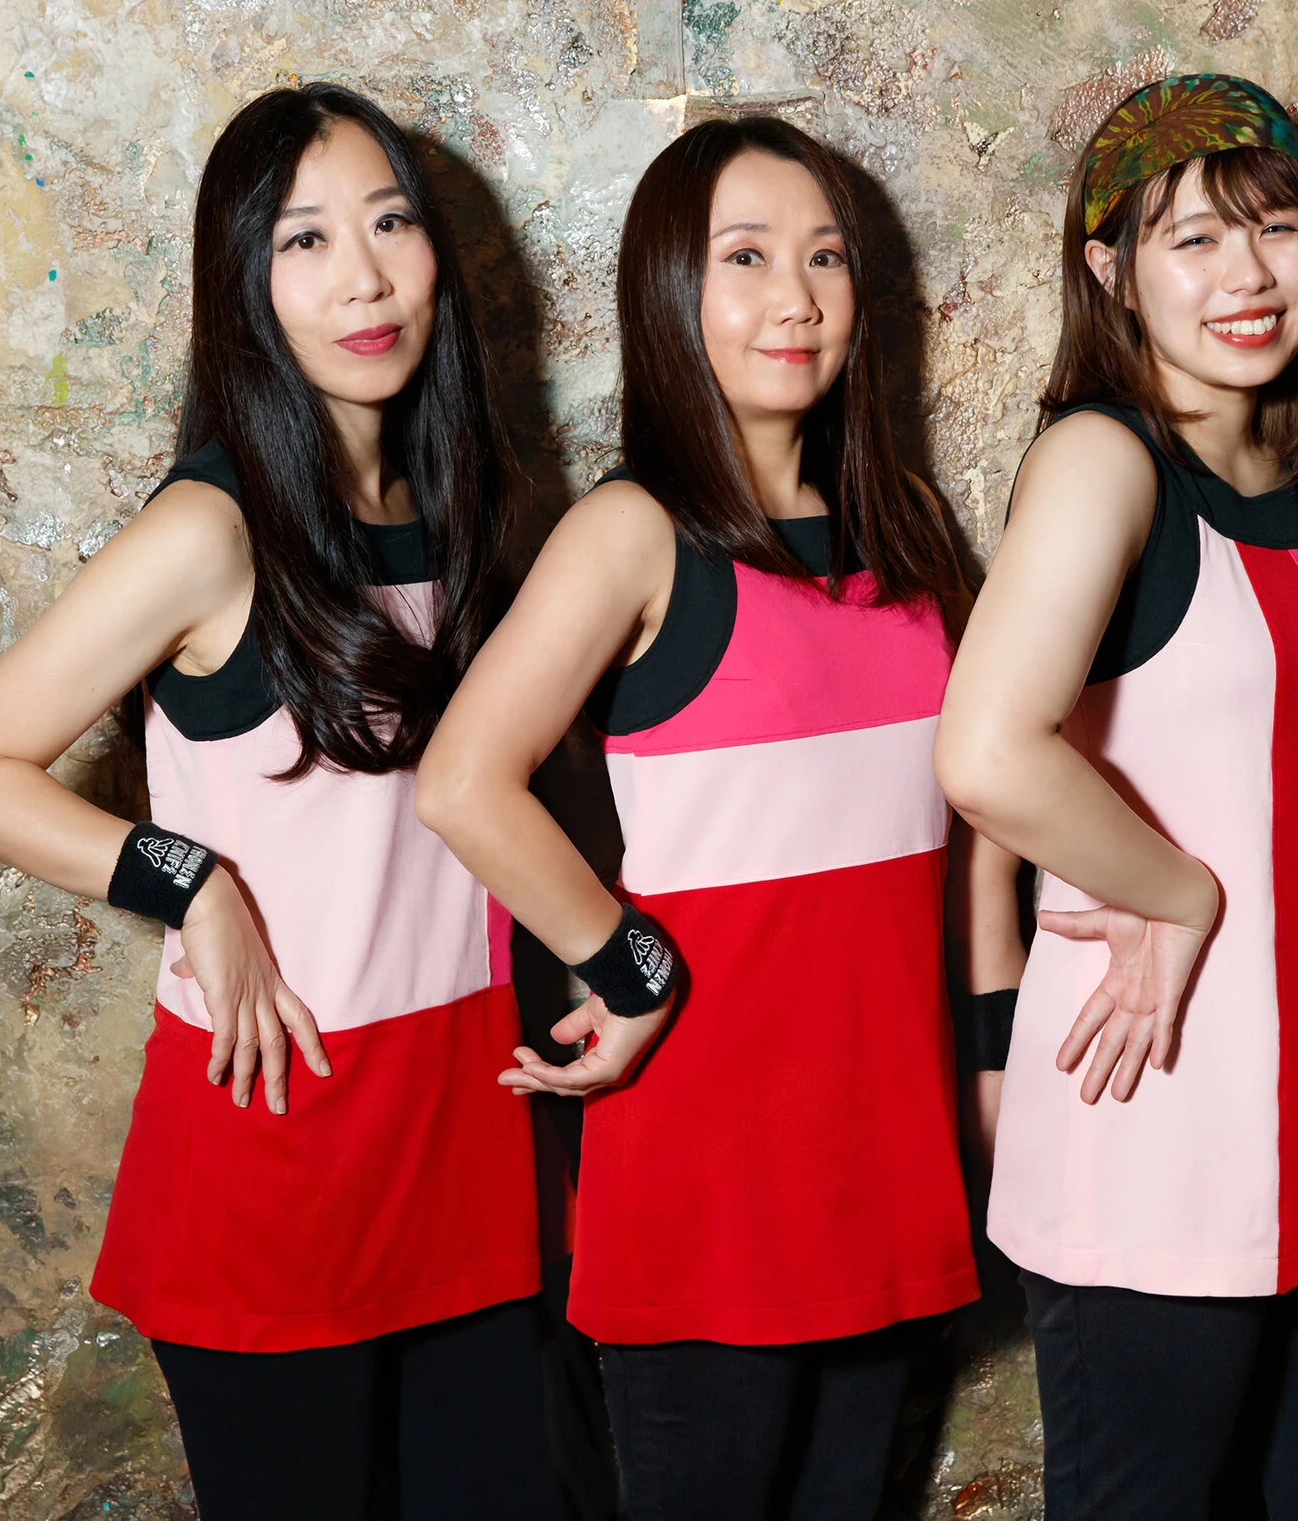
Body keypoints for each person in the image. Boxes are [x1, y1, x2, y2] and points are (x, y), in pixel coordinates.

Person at [0, 83, 562, 1521]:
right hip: (278, 1143)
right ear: (244, 287)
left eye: (390, 224)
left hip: (462, 1126)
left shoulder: (465, 511)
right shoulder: (209, 528)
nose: (364, 278)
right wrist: (189, 882)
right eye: (305, 240)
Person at [414, 115, 981, 1521]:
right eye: (747, 258)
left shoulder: (909, 524)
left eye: (826, 258)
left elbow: (977, 826)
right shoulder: (633, 533)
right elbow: (463, 780)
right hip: (709, 1167)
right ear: (671, 290)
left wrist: (991, 1057)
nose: (797, 299)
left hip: (887, 1148)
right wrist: (631, 967)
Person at [933, 75, 1298, 1521]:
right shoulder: (1102, 462)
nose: (1247, 276)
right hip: (1156, 1110)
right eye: (1194, 240)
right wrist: (1181, 890)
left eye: (1275, 228)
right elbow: (986, 753)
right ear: (1111, 270)